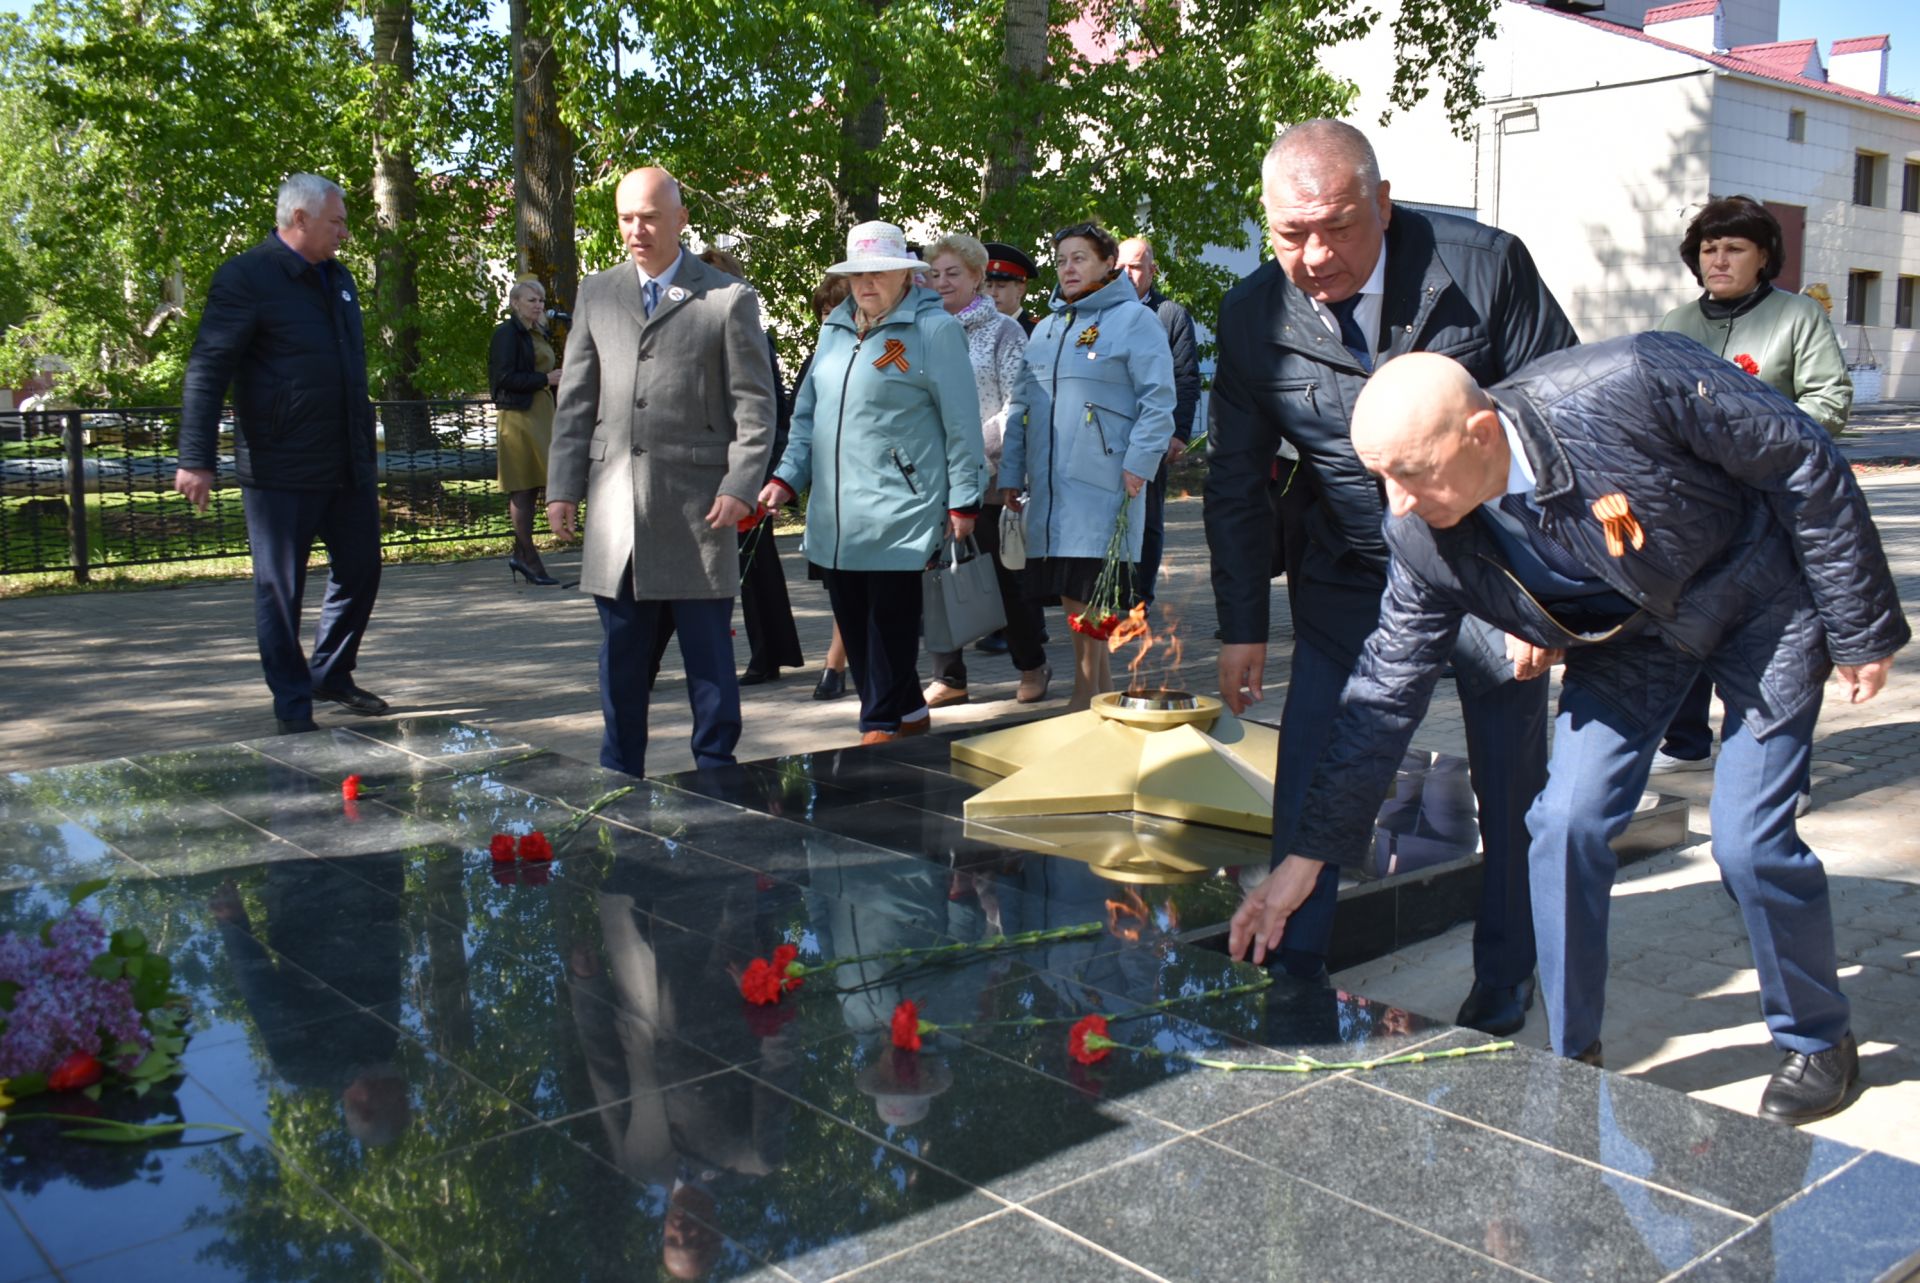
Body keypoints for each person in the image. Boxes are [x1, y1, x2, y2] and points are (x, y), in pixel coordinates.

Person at [1230, 339, 1906, 1122]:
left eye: (1412, 471)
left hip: (1763, 602)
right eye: (1381, 475)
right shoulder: (1419, 534)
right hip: (1629, 640)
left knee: (1750, 838)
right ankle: (1574, 1052)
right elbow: (1384, 693)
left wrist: (1859, 625)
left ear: (1481, 433)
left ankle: (1816, 1036)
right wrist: (1305, 861)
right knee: (1561, 823)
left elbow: (1801, 458)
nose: (1398, 502)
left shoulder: (1630, 383)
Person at [1206, 119, 1576, 1037]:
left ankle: (1504, 980)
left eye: (1336, 226)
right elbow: (1234, 479)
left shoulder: (1483, 269)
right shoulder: (1254, 316)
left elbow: (1561, 429)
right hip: (1354, 572)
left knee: (1510, 782)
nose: (1316, 254)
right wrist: (1241, 621)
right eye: (1291, 234)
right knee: (1316, 768)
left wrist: (1548, 595)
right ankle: (1293, 964)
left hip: (1494, 569)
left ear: (1383, 201)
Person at [546, 167, 777, 778]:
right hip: (617, 511)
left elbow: (756, 406)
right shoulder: (597, 292)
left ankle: (716, 770)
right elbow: (577, 400)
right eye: (625, 218)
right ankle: (620, 772)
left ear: (680, 219)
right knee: (622, 657)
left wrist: (739, 485)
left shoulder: (727, 298)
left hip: (700, 508)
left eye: (648, 217)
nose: (635, 231)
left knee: (708, 660)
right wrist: (563, 488)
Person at [176, 172, 390, 734]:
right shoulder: (247, 278)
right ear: (299, 219)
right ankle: (293, 705)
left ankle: (329, 673)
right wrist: (195, 456)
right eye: (336, 222)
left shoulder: (339, 279)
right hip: (281, 469)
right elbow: (207, 370)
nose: (345, 233)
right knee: (280, 590)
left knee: (363, 568)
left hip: (347, 462)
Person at [759, 220, 987, 744]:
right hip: (837, 519)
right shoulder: (833, 330)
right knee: (858, 636)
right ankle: (908, 713)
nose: (866, 283)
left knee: (888, 634)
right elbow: (807, 418)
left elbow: (962, 426)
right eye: (857, 272)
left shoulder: (935, 330)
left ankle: (878, 728)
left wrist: (964, 499)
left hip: (901, 515)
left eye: (879, 271)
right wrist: (787, 478)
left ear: (905, 274)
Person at [1651, 195, 1853, 777]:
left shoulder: (1797, 317)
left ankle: (1774, 768)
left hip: (1773, 506)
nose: (1719, 259)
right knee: (1681, 625)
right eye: (1709, 249)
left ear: (1763, 256)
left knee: (1769, 641)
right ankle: (1682, 743)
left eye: (1734, 248)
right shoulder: (1676, 325)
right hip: (1693, 512)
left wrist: (1757, 436)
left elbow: (1829, 403)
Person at [1000, 222, 1175, 712]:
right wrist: (1012, 472)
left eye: (1079, 258)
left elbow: (1158, 401)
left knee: (1090, 593)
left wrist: (1140, 463)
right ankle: (1098, 693)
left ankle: (1087, 694)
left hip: (1104, 482)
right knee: (1076, 596)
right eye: (1061, 261)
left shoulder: (1134, 321)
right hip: (1052, 488)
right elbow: (1021, 407)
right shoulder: (1047, 329)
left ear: (1107, 263)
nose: (1068, 269)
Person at [920, 232, 1052, 709]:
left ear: (977, 277)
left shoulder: (1003, 331)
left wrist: (972, 448)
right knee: (938, 577)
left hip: (990, 475)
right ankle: (949, 676)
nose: (941, 282)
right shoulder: (923, 328)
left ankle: (1031, 664)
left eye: (953, 273)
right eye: (934, 274)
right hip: (933, 477)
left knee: (1003, 577)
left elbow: (1020, 402)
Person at [702, 247, 805, 686]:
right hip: (706, 467)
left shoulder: (749, 332)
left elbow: (768, 408)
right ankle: (646, 662)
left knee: (754, 570)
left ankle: (768, 654)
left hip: (741, 468)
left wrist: (765, 472)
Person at [1116, 236, 1200, 613]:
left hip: (1151, 436)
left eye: (1135, 266)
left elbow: (1185, 378)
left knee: (1147, 520)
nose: (1126, 274)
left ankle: (1139, 596)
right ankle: (1109, 590)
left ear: (1152, 270)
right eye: (1119, 267)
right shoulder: (1102, 313)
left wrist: (1178, 433)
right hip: (1108, 437)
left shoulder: (1170, 315)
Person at [792, 274, 855, 701]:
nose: (828, 318)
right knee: (837, 582)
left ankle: (836, 663)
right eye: (822, 312)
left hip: (870, 488)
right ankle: (843, 658)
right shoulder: (819, 356)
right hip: (829, 490)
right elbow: (801, 420)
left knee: (855, 581)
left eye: (836, 309)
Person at [489, 277, 564, 586]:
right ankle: (528, 557)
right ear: (515, 303)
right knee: (524, 486)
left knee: (535, 485)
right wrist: (545, 379)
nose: (538, 305)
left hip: (540, 412)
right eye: (531, 300)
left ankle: (522, 556)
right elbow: (503, 378)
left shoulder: (538, 332)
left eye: (541, 301)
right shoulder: (507, 334)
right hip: (519, 416)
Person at [982, 241, 1041, 334]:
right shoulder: (976, 329)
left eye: (1001, 286)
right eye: (989, 285)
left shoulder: (1037, 331)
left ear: (1020, 289)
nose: (993, 293)